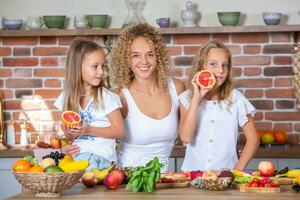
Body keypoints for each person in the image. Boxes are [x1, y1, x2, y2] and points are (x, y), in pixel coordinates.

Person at [111, 23, 185, 172]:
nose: (144, 62)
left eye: (150, 54)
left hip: (164, 180)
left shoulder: (177, 89)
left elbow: (189, 133)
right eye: (135, 55)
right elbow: (102, 135)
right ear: (126, 60)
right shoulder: (120, 97)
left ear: (159, 56)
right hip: (127, 179)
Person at [179, 40, 259, 171]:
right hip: (193, 176)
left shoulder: (235, 98)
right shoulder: (186, 98)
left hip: (225, 178)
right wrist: (196, 99)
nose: (220, 70)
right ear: (200, 66)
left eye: (225, 65)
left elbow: (253, 140)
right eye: (213, 64)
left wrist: (236, 171)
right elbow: (186, 137)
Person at [54, 38, 124, 170]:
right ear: (77, 67)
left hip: (101, 160)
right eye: (95, 66)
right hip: (77, 157)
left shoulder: (106, 97)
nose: (101, 72)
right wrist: (69, 139)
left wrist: (89, 130)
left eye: (103, 66)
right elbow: (69, 135)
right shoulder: (66, 98)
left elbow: (119, 131)